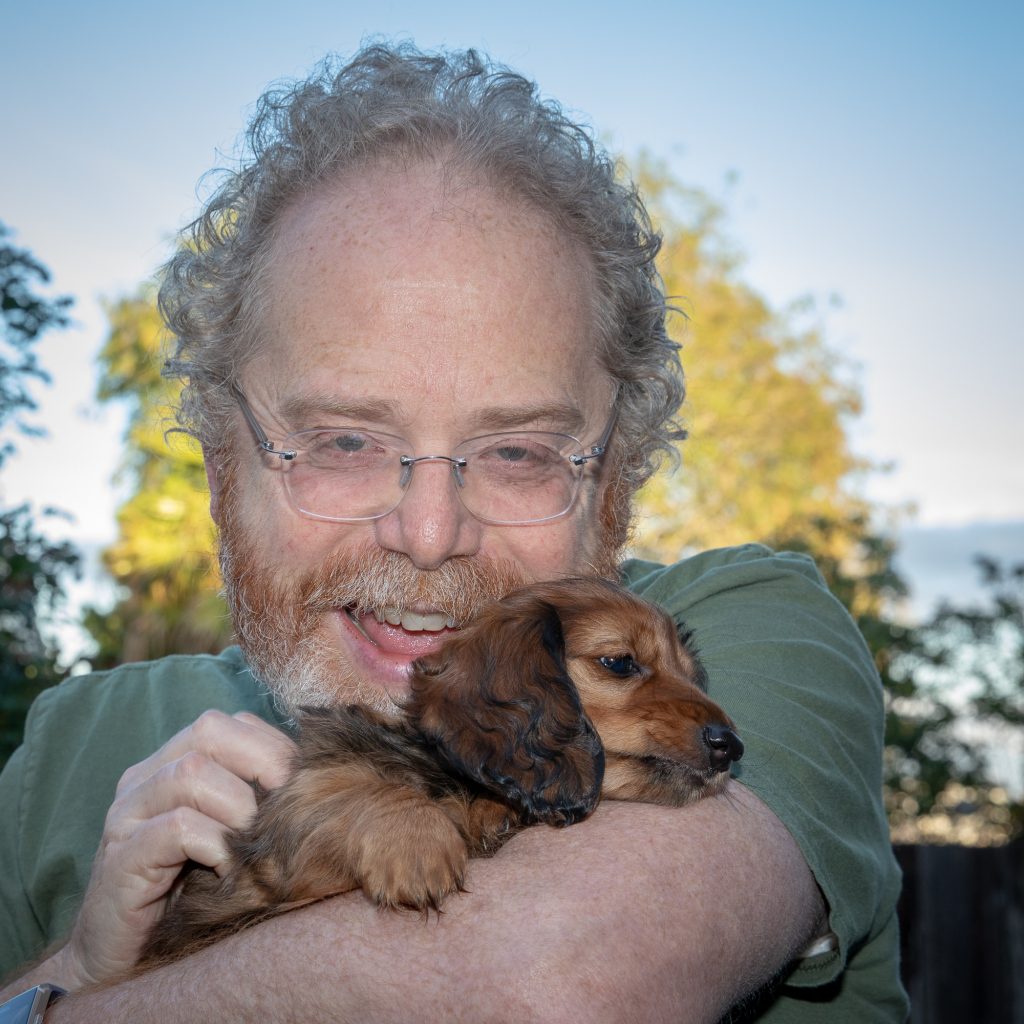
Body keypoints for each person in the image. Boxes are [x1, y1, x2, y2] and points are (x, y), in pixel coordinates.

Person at [0, 43, 907, 1022]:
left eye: (517, 453)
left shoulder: (742, 635)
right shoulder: (74, 746)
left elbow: (542, 981)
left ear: (616, 489)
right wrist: (82, 961)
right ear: (223, 472)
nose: (429, 535)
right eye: (344, 440)